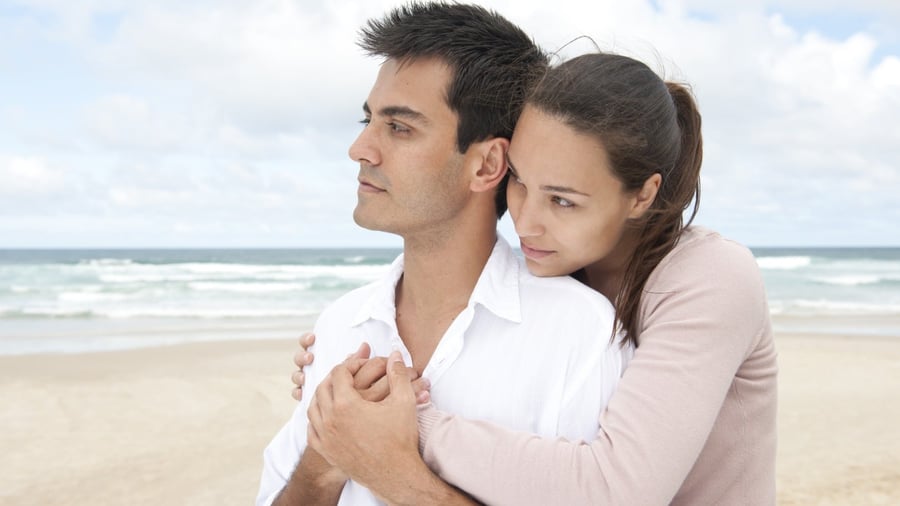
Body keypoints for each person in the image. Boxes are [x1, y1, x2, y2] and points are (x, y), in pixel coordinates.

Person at [293, 51, 778, 504]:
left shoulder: (711, 277)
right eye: (520, 181)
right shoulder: (560, 269)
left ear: (643, 195)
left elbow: (617, 488)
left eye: (563, 200)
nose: (525, 222)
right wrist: (333, 377)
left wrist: (398, 420)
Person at [256, 3, 634, 505]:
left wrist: (392, 472)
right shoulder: (340, 324)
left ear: (487, 165)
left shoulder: (580, 334)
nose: (360, 148)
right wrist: (322, 463)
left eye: (399, 127)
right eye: (368, 119)